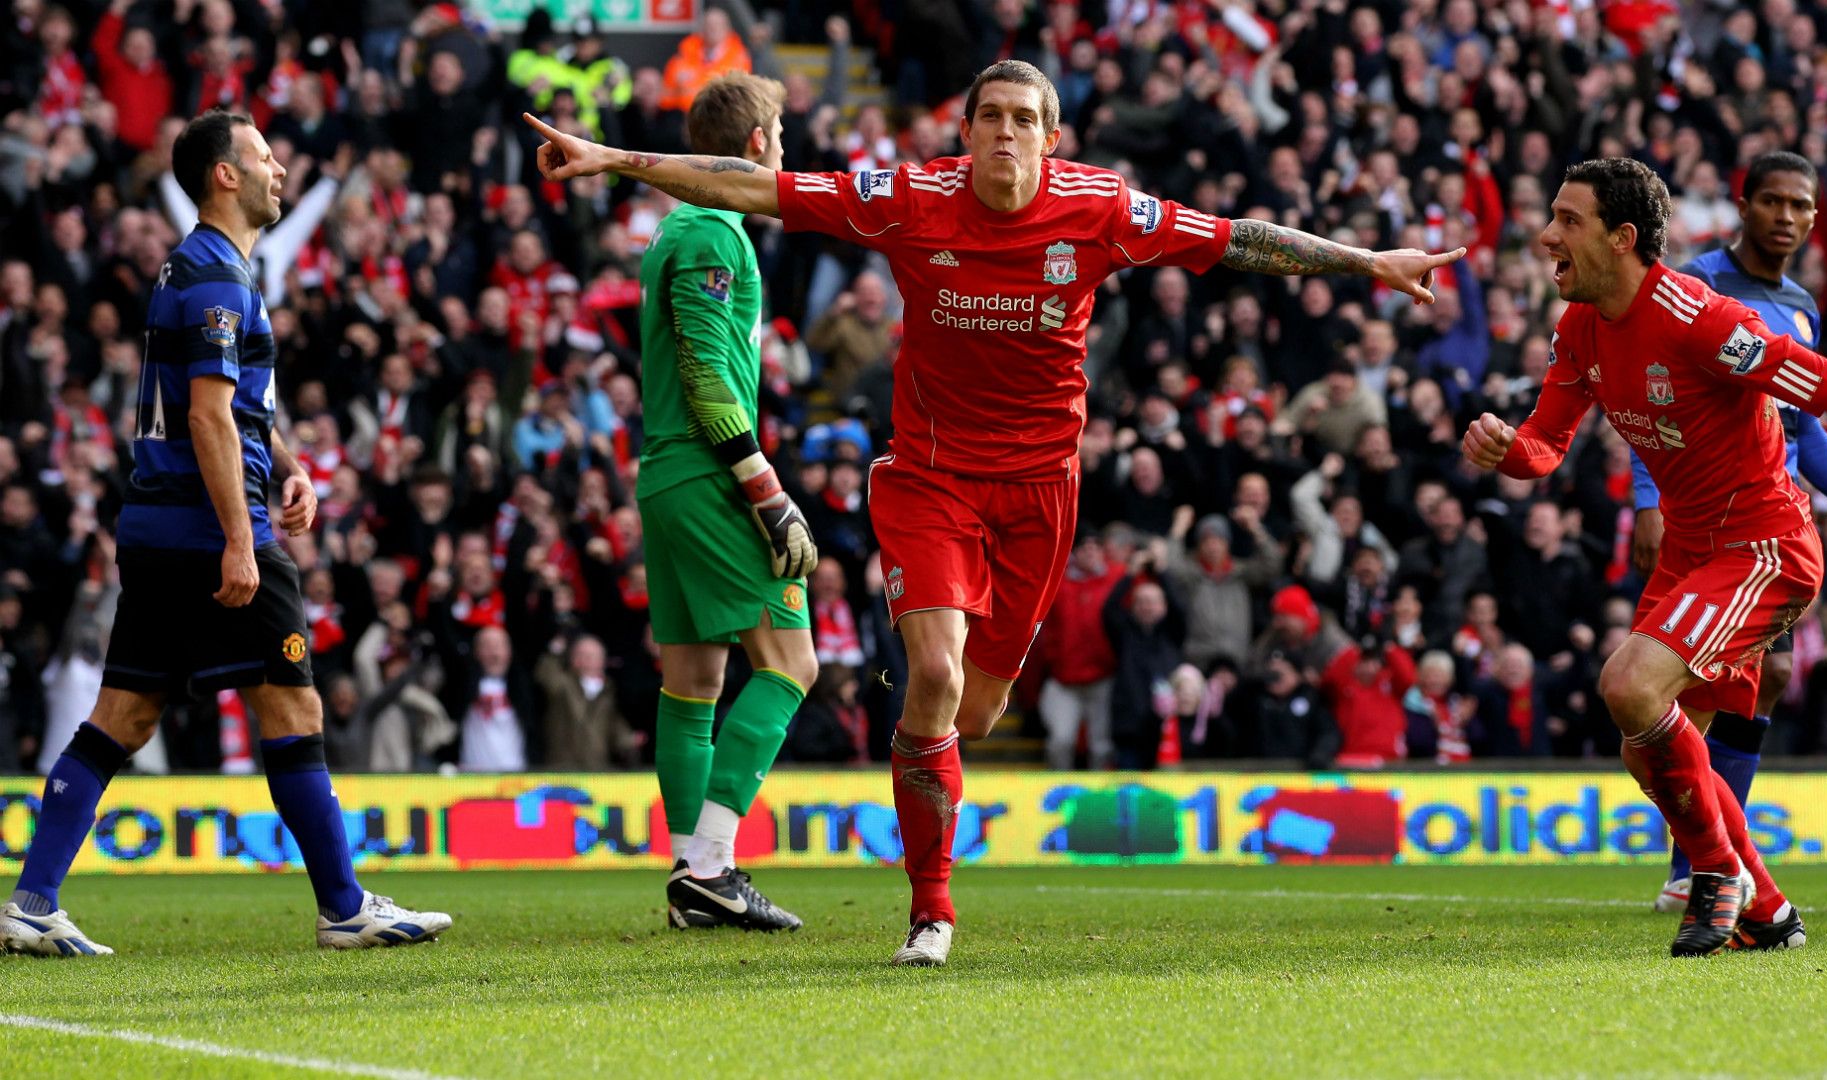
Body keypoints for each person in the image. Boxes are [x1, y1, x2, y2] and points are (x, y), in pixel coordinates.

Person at [524, 59, 1459, 967]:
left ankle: (749, 848)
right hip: (930, 478)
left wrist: (1368, 262)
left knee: (972, 712)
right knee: (929, 673)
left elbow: (1238, 239)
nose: (1006, 131)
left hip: (1040, 493)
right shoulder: (909, 198)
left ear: (1053, 140)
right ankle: (929, 909)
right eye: (991, 116)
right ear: (964, 132)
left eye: (1025, 119)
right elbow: (756, 184)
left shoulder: (1098, 208)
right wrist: (614, 159)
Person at [0, 111, 448, 957]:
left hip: (161, 524)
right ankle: (345, 907)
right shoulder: (216, 278)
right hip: (207, 527)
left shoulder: (212, 269)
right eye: (267, 157)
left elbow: (235, 408)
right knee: (293, 700)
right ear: (225, 175)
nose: (281, 170)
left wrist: (287, 464)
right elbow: (207, 419)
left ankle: (31, 900)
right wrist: (242, 539)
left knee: (125, 715)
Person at [1461, 157, 1827, 956]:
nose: (1545, 238)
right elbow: (1546, 446)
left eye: (1568, 221)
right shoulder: (1580, 327)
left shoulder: (1697, 318)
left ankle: (1714, 877)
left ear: (1623, 238)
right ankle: (1770, 913)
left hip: (1764, 547)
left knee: (1629, 685)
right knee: (1648, 748)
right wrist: (1508, 450)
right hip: (1692, 550)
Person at [1627, 151, 1827, 913]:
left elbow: (1806, 428)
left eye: (1799, 205)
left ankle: (1701, 862)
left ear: (1814, 218)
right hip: (1704, 516)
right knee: (1687, 690)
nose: (1785, 216)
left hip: (1773, 512)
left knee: (1762, 680)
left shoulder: (1802, 303)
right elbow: (1659, 392)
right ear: (1743, 205)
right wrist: (1647, 499)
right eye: (1770, 201)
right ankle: (1703, 863)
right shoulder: (1699, 283)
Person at [634, 73, 818, 932]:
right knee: (791, 664)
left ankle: (691, 876)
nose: (782, 151)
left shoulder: (680, 226)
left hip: (667, 473)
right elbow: (707, 370)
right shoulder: (713, 230)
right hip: (711, 476)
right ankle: (710, 866)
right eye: (778, 137)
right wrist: (768, 492)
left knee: (695, 680)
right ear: (755, 144)